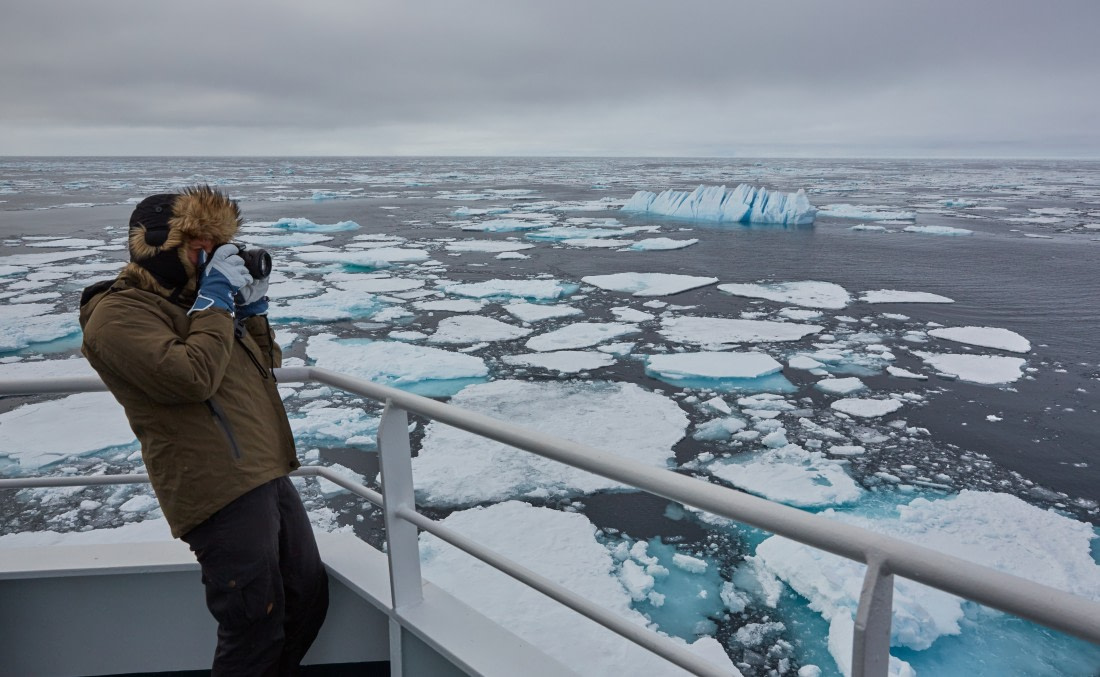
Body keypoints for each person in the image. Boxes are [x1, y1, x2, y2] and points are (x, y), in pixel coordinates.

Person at [79, 185, 328, 675]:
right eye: (201, 248)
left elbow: (262, 367)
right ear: (161, 250)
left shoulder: (198, 306)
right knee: (253, 621)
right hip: (214, 484)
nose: (209, 259)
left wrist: (252, 313)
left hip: (261, 469)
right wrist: (216, 301)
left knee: (306, 598)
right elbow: (191, 378)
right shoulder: (117, 315)